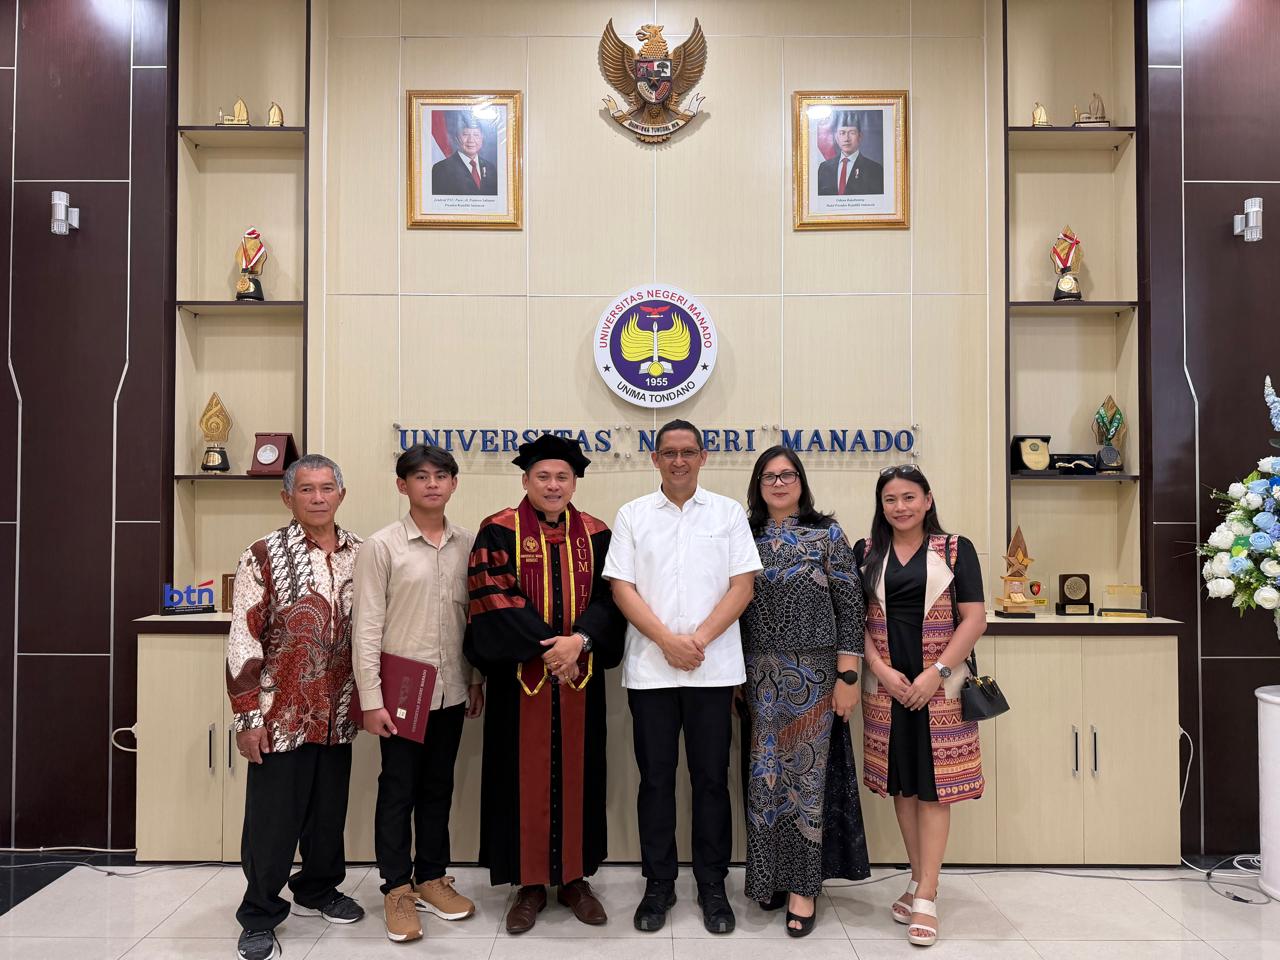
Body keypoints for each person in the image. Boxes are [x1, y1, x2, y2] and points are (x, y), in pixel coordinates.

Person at [603, 419, 762, 935]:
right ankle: (659, 884)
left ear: (702, 457)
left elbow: (743, 585)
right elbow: (622, 589)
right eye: (668, 452)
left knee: (711, 780)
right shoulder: (632, 515)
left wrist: (699, 639)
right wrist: (668, 641)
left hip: (713, 671)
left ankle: (713, 886)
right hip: (651, 671)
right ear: (655, 459)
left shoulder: (728, 513)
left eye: (687, 452)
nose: (678, 461)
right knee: (655, 780)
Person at [464, 433, 625, 935]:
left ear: (574, 482)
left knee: (582, 775)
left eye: (562, 477)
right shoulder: (498, 531)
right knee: (519, 778)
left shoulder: (597, 533)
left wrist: (579, 642)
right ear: (525, 481)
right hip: (520, 683)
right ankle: (529, 884)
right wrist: (552, 650)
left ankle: (575, 879)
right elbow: (495, 597)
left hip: (581, 676)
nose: (553, 485)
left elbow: (612, 598)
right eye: (543, 477)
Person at [226, 454, 365, 960]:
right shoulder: (262, 554)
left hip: (339, 712)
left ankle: (318, 889)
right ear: (288, 497)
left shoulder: (362, 553)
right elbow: (243, 639)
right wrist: (247, 718)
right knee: (273, 822)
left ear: (341, 494)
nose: (318, 497)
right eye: (307, 489)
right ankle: (259, 913)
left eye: (327, 488)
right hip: (280, 714)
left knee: (328, 814)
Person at [352, 444, 485, 943]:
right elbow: (367, 628)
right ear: (401, 485)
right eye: (421, 476)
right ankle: (396, 889)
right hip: (401, 696)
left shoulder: (468, 544)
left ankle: (431, 878)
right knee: (397, 791)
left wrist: (475, 679)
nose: (432, 484)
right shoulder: (382, 546)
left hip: (451, 689)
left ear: (454, 484)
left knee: (438, 789)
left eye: (441, 476)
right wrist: (371, 700)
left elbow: (472, 619)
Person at [739, 447, 871, 937]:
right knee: (764, 779)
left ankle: (803, 888)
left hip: (814, 676)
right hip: (757, 677)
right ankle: (769, 877)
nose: (778, 483)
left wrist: (848, 677)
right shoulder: (743, 534)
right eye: (769, 476)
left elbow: (850, 606)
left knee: (806, 780)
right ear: (758, 485)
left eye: (787, 475)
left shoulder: (827, 534)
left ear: (801, 481)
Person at [854, 465, 986, 948]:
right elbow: (855, 620)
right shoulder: (866, 552)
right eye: (890, 499)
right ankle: (917, 878)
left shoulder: (955, 549)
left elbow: (974, 619)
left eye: (909, 497)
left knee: (934, 790)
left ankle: (927, 893)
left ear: (927, 500)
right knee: (903, 787)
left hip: (939, 689)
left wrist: (937, 673)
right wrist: (882, 671)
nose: (900, 507)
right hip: (888, 687)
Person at [817, 111, 884, 196]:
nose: (847, 139)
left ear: (860, 136)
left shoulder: (875, 170)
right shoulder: (824, 168)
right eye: (842, 133)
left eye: (852, 133)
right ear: (836, 137)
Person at [431, 112, 498, 196]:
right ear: (457, 137)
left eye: (476, 135)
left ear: (482, 138)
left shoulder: (490, 168)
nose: (471, 140)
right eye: (465, 134)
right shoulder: (441, 169)